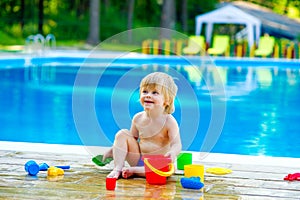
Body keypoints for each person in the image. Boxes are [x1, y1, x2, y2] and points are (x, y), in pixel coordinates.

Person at [103, 72, 182, 179]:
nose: (148, 95)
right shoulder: (138, 118)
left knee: (163, 170)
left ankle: (135, 171)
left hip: (159, 165)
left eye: (155, 92)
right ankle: (118, 168)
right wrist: (114, 149)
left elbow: (176, 144)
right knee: (122, 134)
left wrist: (172, 153)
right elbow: (130, 140)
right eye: (145, 91)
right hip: (139, 160)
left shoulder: (169, 121)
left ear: (167, 100)